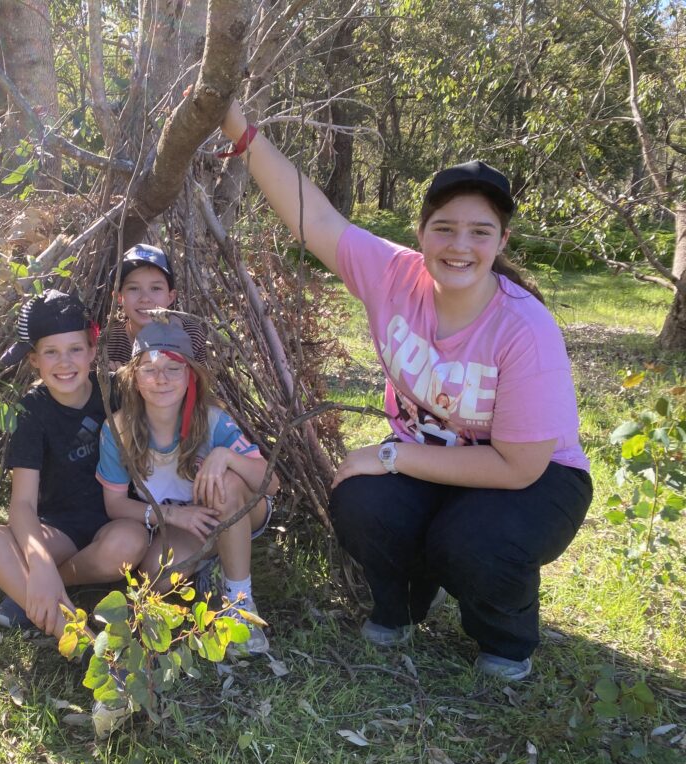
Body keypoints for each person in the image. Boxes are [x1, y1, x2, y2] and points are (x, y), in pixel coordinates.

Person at [220, 101, 593, 680]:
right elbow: (312, 218)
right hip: (434, 459)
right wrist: (238, 129)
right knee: (360, 501)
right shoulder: (394, 275)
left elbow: (519, 467)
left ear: (501, 241)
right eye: (444, 228)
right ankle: (402, 605)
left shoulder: (524, 328)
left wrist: (390, 455)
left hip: (535, 479)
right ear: (421, 233)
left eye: (479, 232)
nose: (459, 245)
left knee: (472, 539)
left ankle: (505, 635)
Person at [95, 321, 279, 654]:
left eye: (173, 369)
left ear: (191, 375)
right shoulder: (117, 429)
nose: (161, 379)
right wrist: (173, 516)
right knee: (159, 576)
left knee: (226, 483)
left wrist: (226, 457)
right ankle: (214, 562)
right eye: (149, 369)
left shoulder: (212, 420)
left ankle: (240, 604)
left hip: (237, 510)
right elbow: (115, 505)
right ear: (133, 377)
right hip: (186, 525)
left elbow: (272, 483)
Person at [0, 290, 149, 641]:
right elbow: (23, 503)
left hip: (115, 520)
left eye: (74, 350)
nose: (64, 363)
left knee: (129, 544)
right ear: (34, 361)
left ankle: (37, 589)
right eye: (50, 352)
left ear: (92, 351)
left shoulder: (114, 391)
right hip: (60, 530)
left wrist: (45, 573)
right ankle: (76, 638)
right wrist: (39, 559)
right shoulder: (31, 411)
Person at [102, 243, 208, 370]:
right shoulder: (108, 341)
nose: (145, 298)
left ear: (170, 297)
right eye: (133, 288)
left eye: (155, 288)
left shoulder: (190, 335)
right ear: (118, 297)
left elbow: (199, 380)